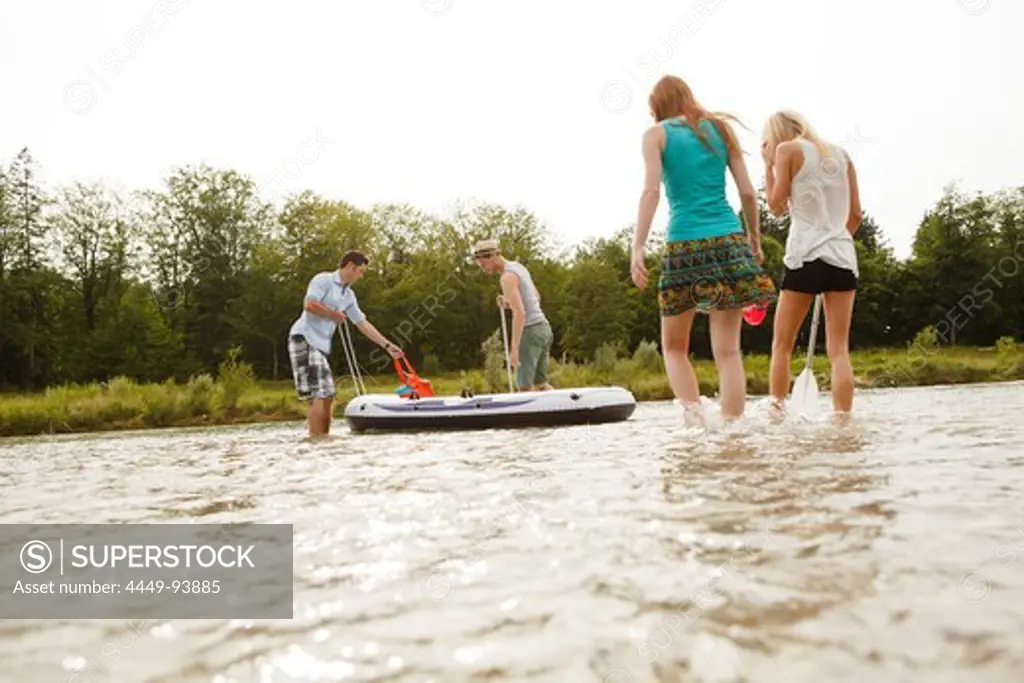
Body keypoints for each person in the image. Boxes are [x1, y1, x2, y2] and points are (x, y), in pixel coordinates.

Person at [630, 75, 777, 421]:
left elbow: (651, 192)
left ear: (657, 108)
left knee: (674, 347)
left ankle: (696, 426)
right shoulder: (721, 130)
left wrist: (638, 246)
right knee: (728, 352)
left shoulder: (656, 135)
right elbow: (747, 194)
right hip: (728, 241)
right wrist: (753, 240)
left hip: (684, 244)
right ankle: (733, 433)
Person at [762, 110, 863, 415]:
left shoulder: (786, 150)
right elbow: (855, 216)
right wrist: (834, 241)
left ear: (777, 134)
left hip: (805, 256)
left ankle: (777, 416)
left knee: (782, 346)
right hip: (842, 256)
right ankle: (843, 421)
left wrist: (768, 166)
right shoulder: (842, 156)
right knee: (839, 350)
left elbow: (776, 207)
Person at [288, 250, 404, 436]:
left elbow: (362, 324)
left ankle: (321, 440)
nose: (361, 275)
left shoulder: (349, 295)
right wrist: (334, 314)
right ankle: (318, 441)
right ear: (350, 266)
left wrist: (388, 346)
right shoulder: (323, 280)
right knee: (320, 393)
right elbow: (309, 305)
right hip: (303, 338)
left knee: (328, 395)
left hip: (320, 346)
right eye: (360, 271)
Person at [472, 238, 555, 391]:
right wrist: (509, 302)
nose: (482, 268)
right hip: (544, 329)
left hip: (530, 332)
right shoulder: (518, 267)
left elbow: (520, 313)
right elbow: (535, 297)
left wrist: (514, 349)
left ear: (491, 256)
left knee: (523, 388)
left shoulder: (507, 277)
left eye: (482, 263)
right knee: (541, 385)